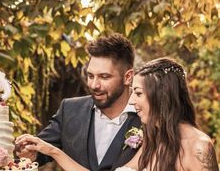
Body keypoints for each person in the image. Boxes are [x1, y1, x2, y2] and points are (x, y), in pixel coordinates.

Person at [16, 58, 220, 171]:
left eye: (138, 93)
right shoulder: (153, 139)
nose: (132, 101)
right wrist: (52, 150)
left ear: (161, 96)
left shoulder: (199, 145)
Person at [15, 34, 140, 171]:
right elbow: (39, 151)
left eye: (104, 77)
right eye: (90, 76)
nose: (94, 85)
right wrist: (28, 153)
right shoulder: (69, 109)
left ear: (128, 77)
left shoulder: (148, 118)